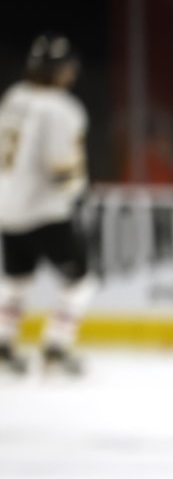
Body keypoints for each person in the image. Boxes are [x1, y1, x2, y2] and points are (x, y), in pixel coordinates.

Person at [0, 35, 93, 377]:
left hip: (6, 207)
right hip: (45, 211)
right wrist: (77, 194)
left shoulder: (14, 97)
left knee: (15, 280)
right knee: (80, 283)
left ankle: (4, 344)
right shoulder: (62, 108)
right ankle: (56, 346)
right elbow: (62, 169)